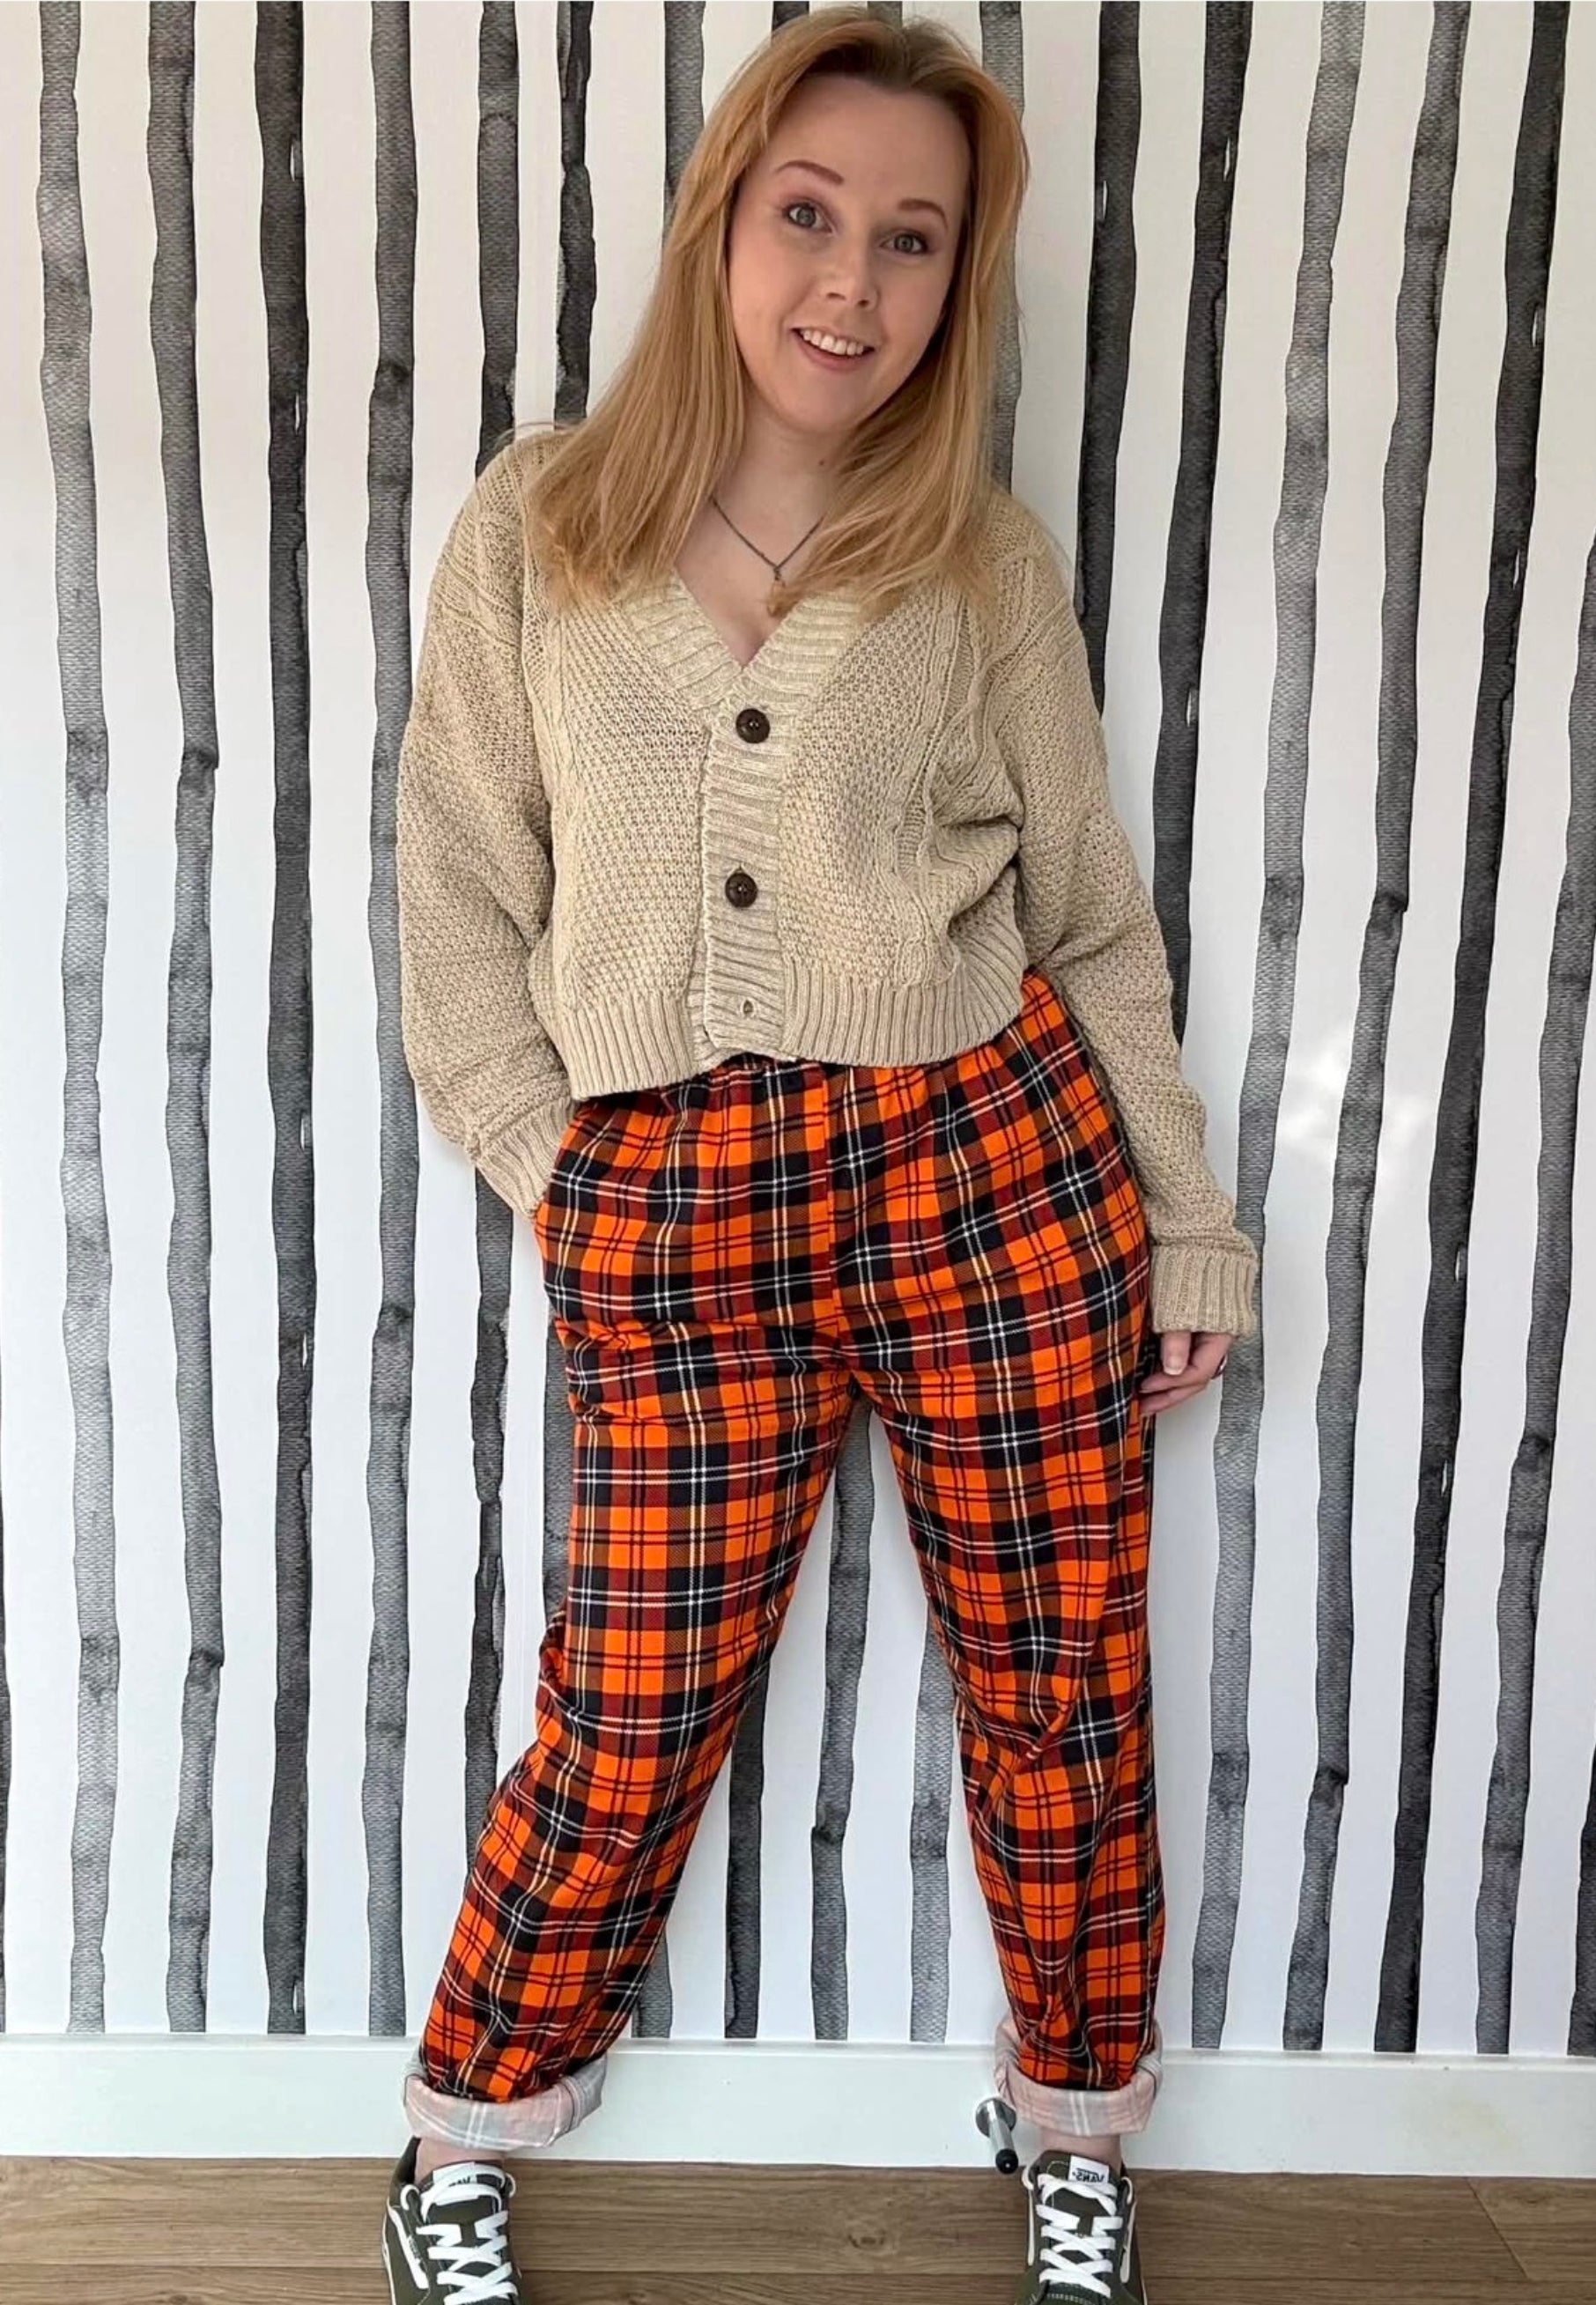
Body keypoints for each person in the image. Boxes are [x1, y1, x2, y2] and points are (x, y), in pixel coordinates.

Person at [381, 10, 1258, 2303]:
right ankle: (460, 2128)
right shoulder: (540, 523)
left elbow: (1086, 916)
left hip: (991, 1172)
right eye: (805, 214)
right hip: (668, 1208)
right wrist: (551, 1168)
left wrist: (1183, 1217)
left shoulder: (976, 562)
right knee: (631, 1705)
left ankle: (1070, 2123)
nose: (846, 283)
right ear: (721, 221)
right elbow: (457, 891)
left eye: (908, 237)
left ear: (959, 280)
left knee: (1054, 1684)